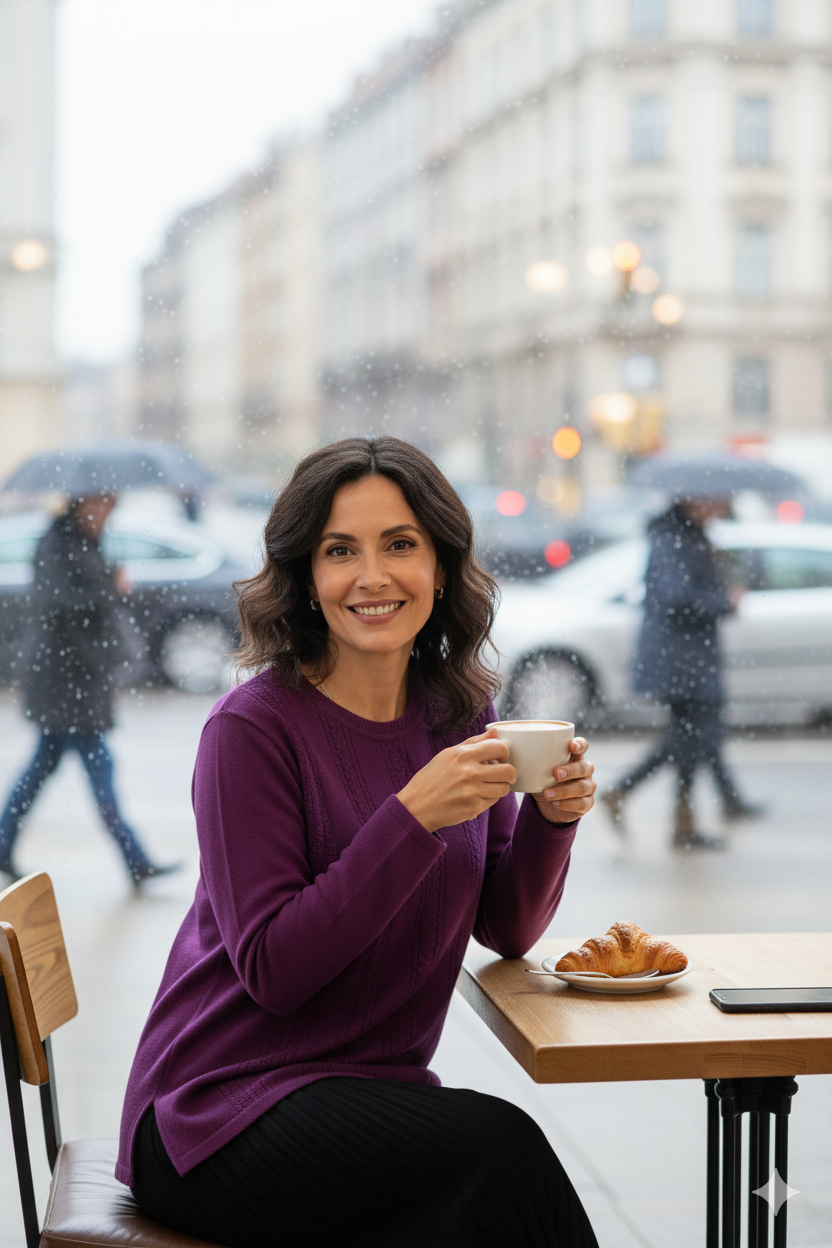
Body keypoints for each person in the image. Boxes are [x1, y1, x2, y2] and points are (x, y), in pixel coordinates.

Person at [117, 437, 599, 1248]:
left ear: (441, 567)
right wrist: (411, 820)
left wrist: (555, 816)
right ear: (307, 577)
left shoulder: (461, 715)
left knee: (479, 1187)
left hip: (364, 1094)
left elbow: (507, 928)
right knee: (499, 1152)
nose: (372, 577)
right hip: (215, 1111)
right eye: (340, 551)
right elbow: (275, 971)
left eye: (400, 545)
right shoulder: (252, 730)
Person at [0, 493, 178, 887]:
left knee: (41, 768)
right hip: (63, 681)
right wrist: (111, 587)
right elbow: (60, 604)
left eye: (113, 506)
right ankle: (135, 858)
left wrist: (108, 577)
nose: (107, 513)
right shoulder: (57, 543)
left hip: (75, 680)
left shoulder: (83, 542)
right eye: (102, 504)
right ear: (82, 504)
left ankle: (2, 844)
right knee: (99, 770)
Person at [601, 497, 760, 850]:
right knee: (690, 738)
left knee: (690, 739)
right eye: (714, 500)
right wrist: (723, 600)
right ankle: (628, 794)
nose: (719, 507)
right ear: (693, 500)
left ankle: (678, 824)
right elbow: (677, 596)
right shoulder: (674, 539)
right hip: (680, 660)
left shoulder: (688, 536)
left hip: (687, 657)